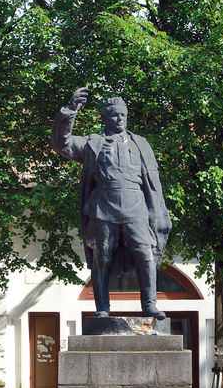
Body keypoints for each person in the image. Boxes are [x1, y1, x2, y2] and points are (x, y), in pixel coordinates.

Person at [51, 87, 171, 319]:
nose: (119, 119)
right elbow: (61, 143)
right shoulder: (92, 143)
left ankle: (149, 305)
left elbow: (152, 184)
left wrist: (158, 214)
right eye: (114, 115)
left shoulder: (140, 143)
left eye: (123, 115)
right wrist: (71, 110)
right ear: (105, 118)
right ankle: (103, 309)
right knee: (102, 257)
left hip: (136, 207)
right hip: (103, 207)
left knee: (145, 254)